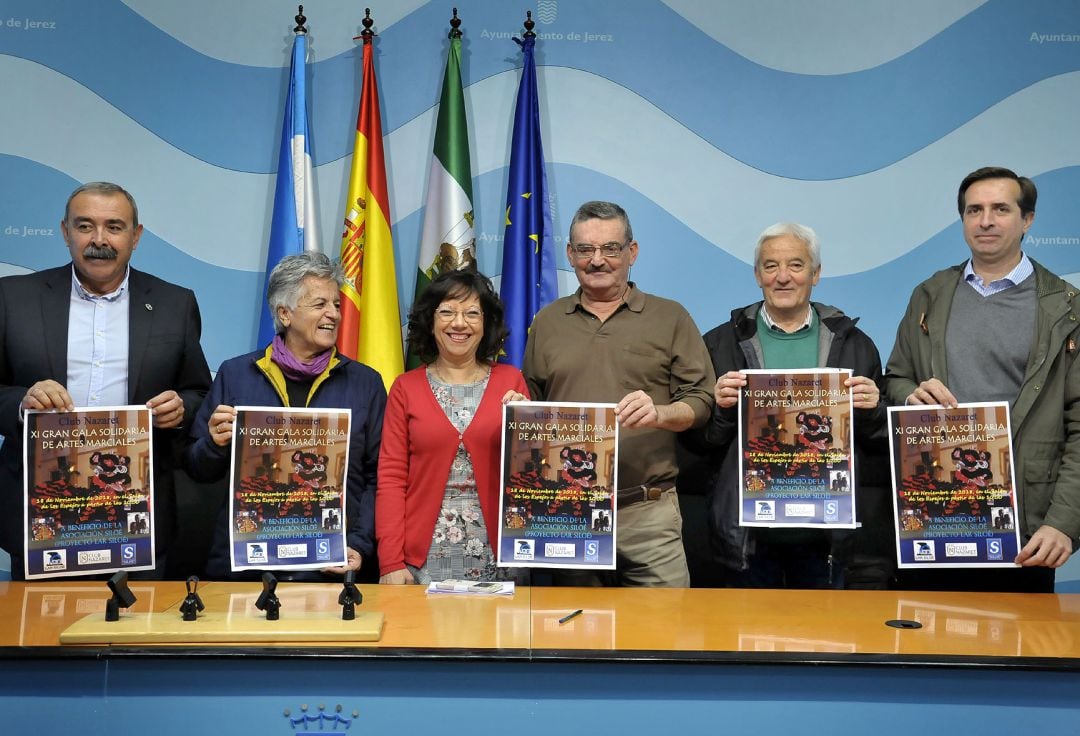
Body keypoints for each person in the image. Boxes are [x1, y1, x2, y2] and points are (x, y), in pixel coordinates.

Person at [0, 181, 211, 579]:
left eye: (114, 227)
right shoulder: (13, 298)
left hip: (137, 513)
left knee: (131, 636)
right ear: (65, 232)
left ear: (136, 236)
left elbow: (200, 392)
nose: (99, 239)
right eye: (85, 226)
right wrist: (21, 402)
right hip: (43, 512)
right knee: (43, 637)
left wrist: (181, 409)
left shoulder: (174, 303)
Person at [884, 166, 1080, 593]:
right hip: (935, 512)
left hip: (1024, 527)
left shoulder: (1066, 308)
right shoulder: (930, 294)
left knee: (1016, 652)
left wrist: (1063, 524)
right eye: (974, 210)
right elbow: (895, 379)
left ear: (1027, 220)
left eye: (1000, 209)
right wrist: (910, 394)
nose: (985, 220)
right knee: (926, 650)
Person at [522, 201, 715, 587]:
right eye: (585, 249)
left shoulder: (671, 316)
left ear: (632, 252)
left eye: (610, 248)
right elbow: (532, 404)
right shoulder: (547, 322)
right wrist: (519, 411)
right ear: (570, 254)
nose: (597, 260)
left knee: (663, 637)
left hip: (647, 511)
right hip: (566, 511)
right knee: (570, 639)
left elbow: (703, 402)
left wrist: (660, 414)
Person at [692, 223, 890, 589]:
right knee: (745, 642)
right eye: (770, 266)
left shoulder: (855, 344)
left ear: (815, 274)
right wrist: (718, 409)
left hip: (824, 536)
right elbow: (700, 443)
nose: (783, 277)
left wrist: (875, 411)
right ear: (757, 275)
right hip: (748, 536)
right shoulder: (720, 343)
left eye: (796, 266)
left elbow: (878, 442)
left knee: (823, 643)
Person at [184, 253, 385, 581]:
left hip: (332, 566)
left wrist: (359, 544)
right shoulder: (236, 374)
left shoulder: (366, 383)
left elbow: (378, 477)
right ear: (285, 313)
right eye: (320, 304)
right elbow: (197, 468)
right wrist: (214, 444)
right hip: (248, 569)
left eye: (336, 304)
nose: (333, 314)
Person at [377, 269, 528, 584]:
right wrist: (390, 562)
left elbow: (530, 474)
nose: (459, 323)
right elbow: (391, 479)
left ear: (485, 324)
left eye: (472, 313)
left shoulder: (511, 382)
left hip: (500, 552)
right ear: (430, 322)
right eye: (447, 312)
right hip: (423, 557)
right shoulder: (405, 388)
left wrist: (529, 429)